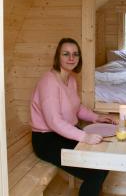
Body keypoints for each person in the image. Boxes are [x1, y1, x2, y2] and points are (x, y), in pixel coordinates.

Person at [30, 37, 116, 196]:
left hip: (65, 133)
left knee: (105, 158)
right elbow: (54, 122)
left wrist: (95, 117)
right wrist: (85, 137)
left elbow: (76, 107)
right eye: (66, 54)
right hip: (47, 140)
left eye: (75, 54)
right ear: (58, 56)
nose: (71, 58)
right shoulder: (48, 82)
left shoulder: (70, 79)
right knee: (95, 172)